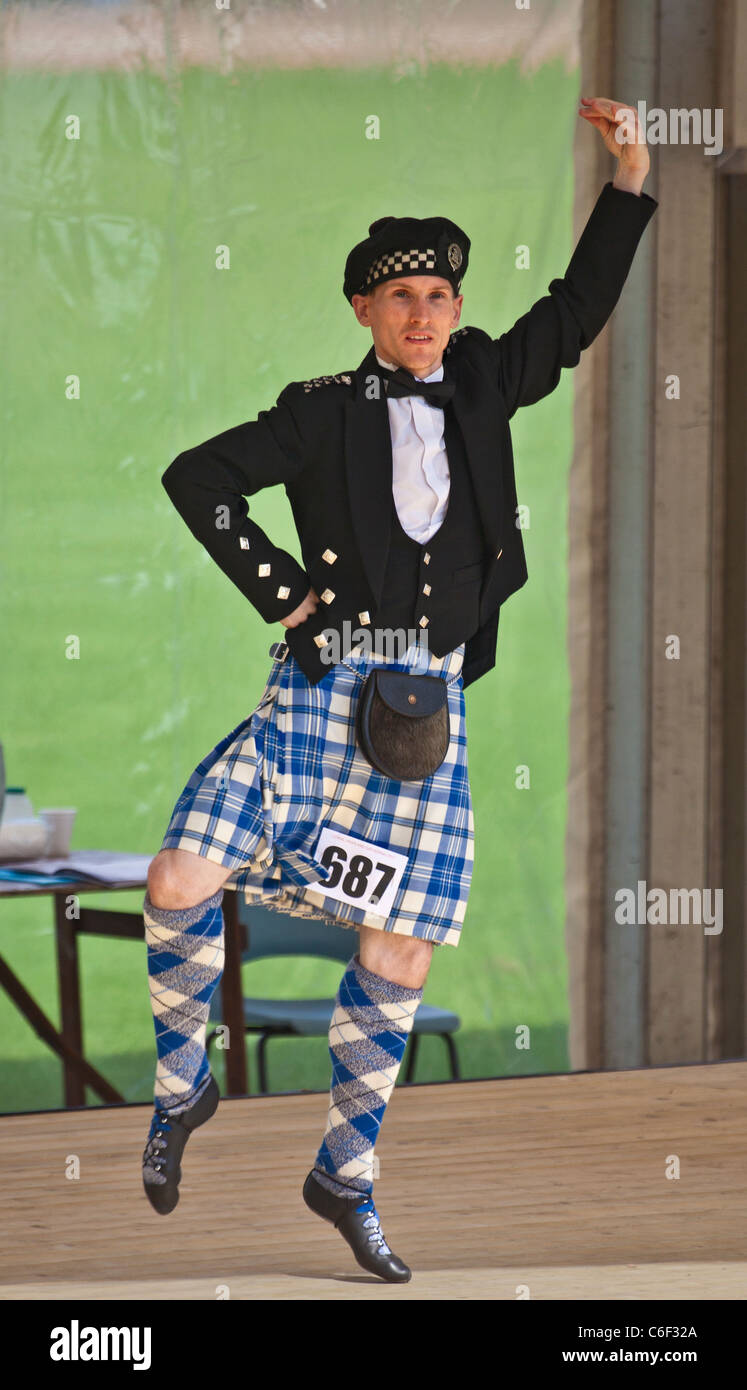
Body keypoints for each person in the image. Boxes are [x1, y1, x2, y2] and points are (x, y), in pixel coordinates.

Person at [140, 97, 656, 1284]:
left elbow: (575, 311)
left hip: (426, 710)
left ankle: (346, 1173)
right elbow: (196, 476)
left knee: (403, 951)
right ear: (363, 309)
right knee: (178, 878)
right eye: (401, 298)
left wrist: (629, 180)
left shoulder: (482, 382)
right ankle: (181, 1084)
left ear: (456, 310)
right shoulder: (321, 410)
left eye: (439, 296)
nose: (423, 316)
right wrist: (284, 594)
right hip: (319, 695)